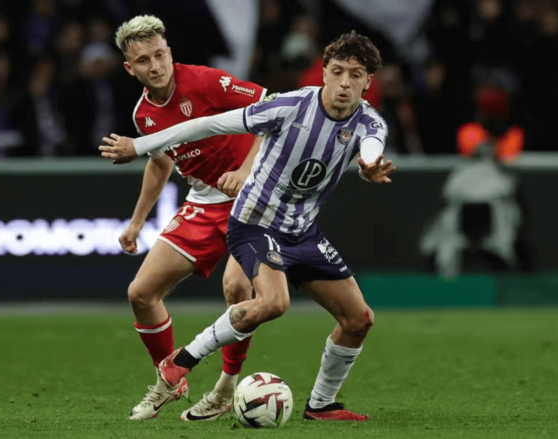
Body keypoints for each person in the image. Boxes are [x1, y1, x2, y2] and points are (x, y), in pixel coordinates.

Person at [101, 31, 395, 421]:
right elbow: (205, 126)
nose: (344, 83)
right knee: (271, 301)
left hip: (301, 229)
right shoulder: (289, 106)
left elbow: (372, 147)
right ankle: (181, 363)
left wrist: (369, 165)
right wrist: (139, 147)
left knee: (360, 320)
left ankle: (321, 404)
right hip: (254, 219)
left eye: (355, 75)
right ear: (323, 71)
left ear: (367, 81)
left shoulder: (369, 123)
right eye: (337, 71)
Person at [110, 15, 267, 421]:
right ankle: (169, 379)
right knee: (140, 293)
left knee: (237, 288)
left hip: (250, 196)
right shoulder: (143, 115)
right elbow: (160, 163)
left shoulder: (203, 81)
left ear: (170, 52)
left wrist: (248, 169)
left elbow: (270, 107)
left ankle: (226, 387)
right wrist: (137, 221)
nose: (155, 66)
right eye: (143, 60)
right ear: (130, 68)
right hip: (203, 202)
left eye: (160, 55)